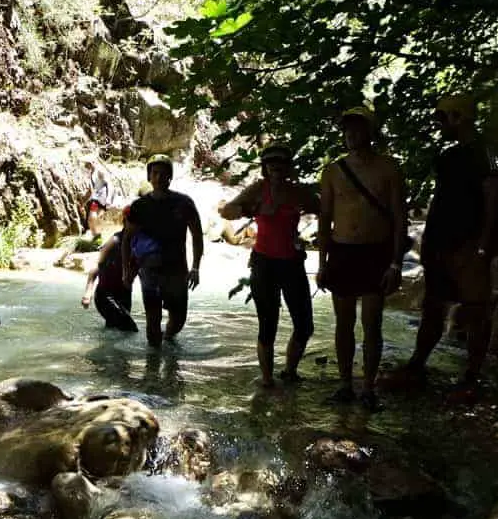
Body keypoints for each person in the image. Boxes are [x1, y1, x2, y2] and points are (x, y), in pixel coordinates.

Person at [392, 94, 498, 403]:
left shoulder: (488, 154)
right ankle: (417, 365)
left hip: (469, 245)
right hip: (440, 243)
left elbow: (494, 199)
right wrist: (428, 240)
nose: (439, 124)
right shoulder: (447, 157)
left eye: (443, 118)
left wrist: (483, 246)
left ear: (459, 117)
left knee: (474, 310)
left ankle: (471, 376)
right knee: (433, 307)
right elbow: (441, 200)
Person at [316, 107, 405, 411]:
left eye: (357, 128)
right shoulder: (332, 171)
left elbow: (399, 218)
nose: (351, 134)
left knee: (372, 322)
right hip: (342, 251)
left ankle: (368, 387)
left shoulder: (388, 169)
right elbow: (324, 218)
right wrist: (322, 263)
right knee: (344, 323)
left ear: (370, 132)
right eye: (347, 129)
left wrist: (395, 263)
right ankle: (344, 384)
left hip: (375, 252)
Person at [219, 144, 322, 389]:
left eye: (281, 162)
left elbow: (324, 209)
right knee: (268, 324)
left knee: (304, 324)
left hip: (292, 263)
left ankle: (289, 371)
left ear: (288, 167)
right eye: (271, 162)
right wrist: (252, 209)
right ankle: (267, 380)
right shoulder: (257, 189)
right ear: (265, 167)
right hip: (264, 263)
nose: (276, 166)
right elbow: (226, 211)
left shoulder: (298, 192)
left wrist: (313, 238)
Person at [122, 154, 203, 348]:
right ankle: (153, 367)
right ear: (149, 176)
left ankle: (168, 341)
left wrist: (196, 268)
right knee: (152, 318)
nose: (158, 177)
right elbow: (127, 239)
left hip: (176, 269)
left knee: (179, 318)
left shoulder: (184, 203)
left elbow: (197, 236)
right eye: (155, 173)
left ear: (170, 177)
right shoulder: (139, 206)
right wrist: (126, 271)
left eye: (163, 173)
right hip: (149, 269)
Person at [80, 209, 139, 332]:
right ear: (125, 221)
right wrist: (88, 293)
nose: (136, 225)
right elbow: (96, 268)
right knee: (130, 329)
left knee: (115, 331)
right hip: (106, 294)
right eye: (132, 221)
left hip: (124, 294)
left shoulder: (140, 243)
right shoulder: (115, 241)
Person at [83, 159, 112, 237]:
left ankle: (97, 236)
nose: (86, 166)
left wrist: (108, 199)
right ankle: (96, 236)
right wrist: (83, 203)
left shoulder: (99, 172)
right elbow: (91, 190)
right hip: (96, 198)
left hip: (101, 198)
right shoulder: (90, 173)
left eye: (88, 164)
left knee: (93, 217)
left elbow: (109, 184)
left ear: (92, 163)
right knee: (93, 218)